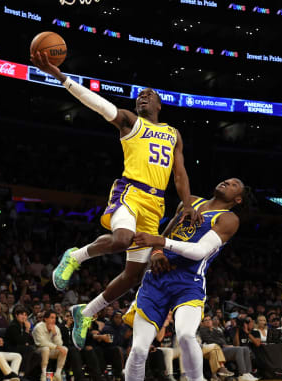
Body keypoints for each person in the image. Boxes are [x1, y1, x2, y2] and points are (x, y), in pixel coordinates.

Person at [30, 52, 202, 349]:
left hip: (155, 204)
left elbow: (180, 173)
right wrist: (60, 75)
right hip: (129, 192)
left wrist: (186, 204)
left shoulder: (173, 134)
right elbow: (95, 103)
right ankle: (75, 256)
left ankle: (84, 312)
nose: (143, 97)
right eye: (140, 95)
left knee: (133, 274)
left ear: (160, 105)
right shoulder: (130, 122)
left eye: (150, 95)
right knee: (122, 238)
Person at [120, 178, 251, 381]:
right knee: (138, 349)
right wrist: (156, 252)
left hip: (188, 282)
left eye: (234, 184)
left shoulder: (228, 219)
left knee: (186, 335)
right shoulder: (189, 202)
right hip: (157, 279)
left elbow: (199, 251)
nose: (227, 182)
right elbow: (165, 235)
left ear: (238, 199)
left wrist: (160, 241)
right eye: (227, 180)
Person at [199, 314, 254, 380]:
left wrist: (229, 345)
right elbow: (209, 341)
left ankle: (248, 373)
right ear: (202, 323)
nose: (208, 321)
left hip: (225, 348)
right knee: (239, 349)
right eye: (206, 320)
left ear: (211, 321)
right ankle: (242, 374)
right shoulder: (203, 331)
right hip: (217, 350)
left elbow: (224, 340)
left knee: (245, 349)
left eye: (209, 319)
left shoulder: (217, 331)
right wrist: (224, 345)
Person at [6, 305, 42, 380]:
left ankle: (25, 374)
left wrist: (28, 331)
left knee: (37, 356)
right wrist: (27, 330)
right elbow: (19, 341)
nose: (24, 317)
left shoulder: (23, 325)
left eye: (26, 315)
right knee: (28, 349)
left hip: (20, 347)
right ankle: (21, 374)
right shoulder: (13, 325)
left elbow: (30, 341)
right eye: (21, 314)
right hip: (10, 348)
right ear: (16, 315)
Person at [32, 311, 68, 381]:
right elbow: (42, 342)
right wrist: (56, 347)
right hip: (38, 349)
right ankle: (43, 374)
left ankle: (58, 374)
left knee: (64, 349)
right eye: (52, 318)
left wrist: (54, 334)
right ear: (45, 319)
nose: (54, 320)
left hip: (51, 350)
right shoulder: (39, 327)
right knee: (46, 348)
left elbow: (60, 344)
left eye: (55, 318)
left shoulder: (56, 328)